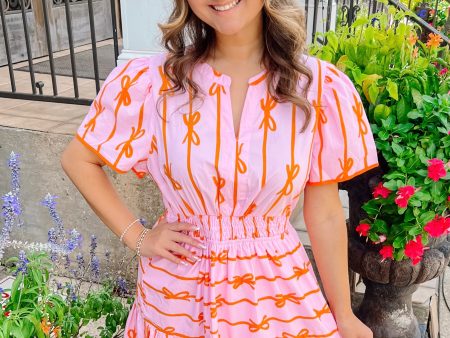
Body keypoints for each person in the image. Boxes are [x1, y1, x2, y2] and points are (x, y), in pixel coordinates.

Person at [61, 0, 379, 337]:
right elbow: (78, 159)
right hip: (178, 297)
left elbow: (326, 214)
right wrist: (138, 237)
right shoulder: (154, 83)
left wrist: (343, 314)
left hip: (277, 299)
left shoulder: (317, 88)